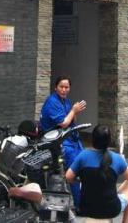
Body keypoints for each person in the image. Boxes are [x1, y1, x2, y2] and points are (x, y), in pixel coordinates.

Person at [66, 124, 128, 222]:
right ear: (109, 141)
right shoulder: (117, 158)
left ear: (93, 139)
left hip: (86, 209)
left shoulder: (83, 156)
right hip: (111, 209)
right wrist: (123, 162)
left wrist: (80, 179)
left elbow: (68, 177)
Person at [39, 75, 86, 208]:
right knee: (75, 169)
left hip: (71, 138)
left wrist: (75, 112)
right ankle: (79, 205)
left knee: (86, 165)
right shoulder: (52, 101)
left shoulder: (65, 101)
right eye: (61, 87)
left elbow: (72, 120)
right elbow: (64, 123)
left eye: (67, 87)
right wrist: (73, 110)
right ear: (55, 87)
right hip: (59, 141)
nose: (64, 90)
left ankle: (86, 199)